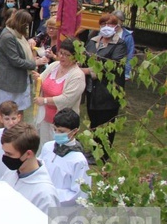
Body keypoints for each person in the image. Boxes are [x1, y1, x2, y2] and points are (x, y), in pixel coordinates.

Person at [81, 13, 127, 157]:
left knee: (106, 124)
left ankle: (103, 155)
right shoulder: (93, 41)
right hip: (91, 90)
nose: (106, 27)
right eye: (103, 24)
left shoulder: (120, 44)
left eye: (111, 24)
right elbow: (84, 57)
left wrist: (89, 70)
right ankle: (94, 150)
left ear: (117, 27)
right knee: (94, 121)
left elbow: (112, 65)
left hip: (108, 92)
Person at [32, 38, 86, 146]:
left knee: (58, 147)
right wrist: (37, 79)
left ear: (76, 57)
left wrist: (45, 100)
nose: (62, 56)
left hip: (63, 124)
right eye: (61, 52)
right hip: (45, 117)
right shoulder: (54, 66)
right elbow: (41, 81)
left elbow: (67, 99)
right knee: (44, 145)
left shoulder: (77, 76)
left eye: (67, 55)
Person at [0, 9, 49, 113]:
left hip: (20, 80)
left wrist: (32, 59)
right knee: (5, 111)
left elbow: (22, 55)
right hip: (10, 82)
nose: (27, 28)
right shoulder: (8, 36)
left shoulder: (17, 34)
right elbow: (15, 60)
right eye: (26, 25)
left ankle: (19, 130)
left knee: (20, 110)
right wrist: (35, 63)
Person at [38, 108, 91, 206]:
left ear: (75, 131)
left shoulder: (78, 161)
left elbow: (79, 194)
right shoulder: (48, 147)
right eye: (55, 129)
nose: (57, 134)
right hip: (41, 200)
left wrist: (52, 195)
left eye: (61, 131)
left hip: (61, 207)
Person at [0, 101, 21, 177]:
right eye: (7, 119)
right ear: (1, 119)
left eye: (13, 118)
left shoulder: (23, 137)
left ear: (19, 118)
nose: (11, 123)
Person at [112, 10, 135, 80]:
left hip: (120, 68)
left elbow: (129, 55)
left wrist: (127, 73)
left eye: (117, 21)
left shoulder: (127, 37)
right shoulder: (105, 32)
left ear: (122, 22)